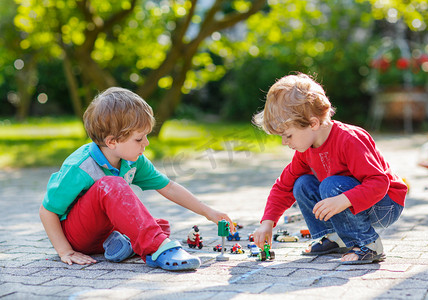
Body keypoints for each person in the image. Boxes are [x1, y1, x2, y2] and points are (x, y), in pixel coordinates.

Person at [39, 87, 234, 271]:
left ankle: (121, 245)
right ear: (112, 142)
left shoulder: (133, 161)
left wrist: (209, 212)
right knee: (113, 186)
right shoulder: (80, 166)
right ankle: (158, 249)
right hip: (78, 236)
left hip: (105, 233)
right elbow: (47, 211)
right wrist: (65, 251)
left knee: (160, 225)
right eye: (139, 139)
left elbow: (169, 187)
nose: (146, 143)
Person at [252, 73, 407, 264]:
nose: (284, 142)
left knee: (330, 186)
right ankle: (335, 238)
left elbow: (379, 182)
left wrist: (343, 200)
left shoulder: (349, 140)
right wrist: (267, 223)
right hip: (350, 198)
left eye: (288, 135)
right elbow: (283, 186)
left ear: (313, 123)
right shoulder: (305, 151)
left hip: (385, 204)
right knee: (302, 184)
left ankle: (369, 244)